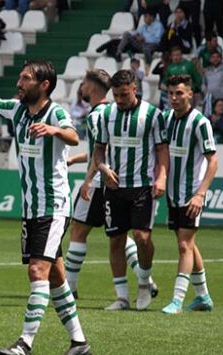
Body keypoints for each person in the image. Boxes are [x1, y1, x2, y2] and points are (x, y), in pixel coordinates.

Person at [0, 60, 91, 355]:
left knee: (37, 270)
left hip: (53, 206)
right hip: (31, 208)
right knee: (55, 277)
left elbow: (73, 136)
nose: (19, 82)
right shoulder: (17, 109)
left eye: (26, 79)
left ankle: (24, 344)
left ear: (44, 85)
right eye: (21, 77)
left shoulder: (57, 112)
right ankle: (79, 342)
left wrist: (53, 130)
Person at [63, 69, 154, 304]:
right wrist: (75, 160)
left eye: (83, 83)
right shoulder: (108, 112)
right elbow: (100, 149)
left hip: (101, 182)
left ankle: (70, 288)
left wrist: (88, 180)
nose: (80, 88)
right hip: (112, 181)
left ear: (91, 87)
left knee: (78, 229)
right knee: (119, 234)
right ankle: (146, 279)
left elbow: (101, 153)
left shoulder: (99, 115)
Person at [90, 69, 169, 313]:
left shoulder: (152, 115)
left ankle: (144, 283)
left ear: (134, 89)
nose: (120, 99)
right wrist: (103, 168)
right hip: (113, 187)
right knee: (116, 240)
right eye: (116, 95)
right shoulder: (106, 115)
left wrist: (162, 178)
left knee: (142, 238)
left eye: (124, 94)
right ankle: (122, 297)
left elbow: (162, 150)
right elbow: (99, 149)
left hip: (142, 186)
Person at [160, 74, 218, 315]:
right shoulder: (165, 119)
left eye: (179, 93)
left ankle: (177, 300)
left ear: (190, 95)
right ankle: (203, 296)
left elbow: (212, 161)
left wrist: (200, 194)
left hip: (191, 193)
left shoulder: (200, 122)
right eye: (171, 93)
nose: (174, 98)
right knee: (187, 244)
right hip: (172, 194)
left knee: (184, 245)